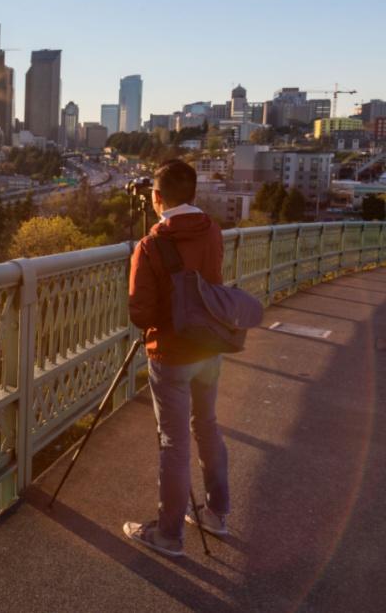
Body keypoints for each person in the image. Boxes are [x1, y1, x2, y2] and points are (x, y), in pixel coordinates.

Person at [122, 159, 230, 558]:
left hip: (170, 353)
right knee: (208, 426)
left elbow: (139, 311)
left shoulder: (150, 244)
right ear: (193, 194)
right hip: (210, 346)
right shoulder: (213, 231)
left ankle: (168, 535)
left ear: (157, 197)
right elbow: (213, 282)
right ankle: (217, 513)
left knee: (174, 441)